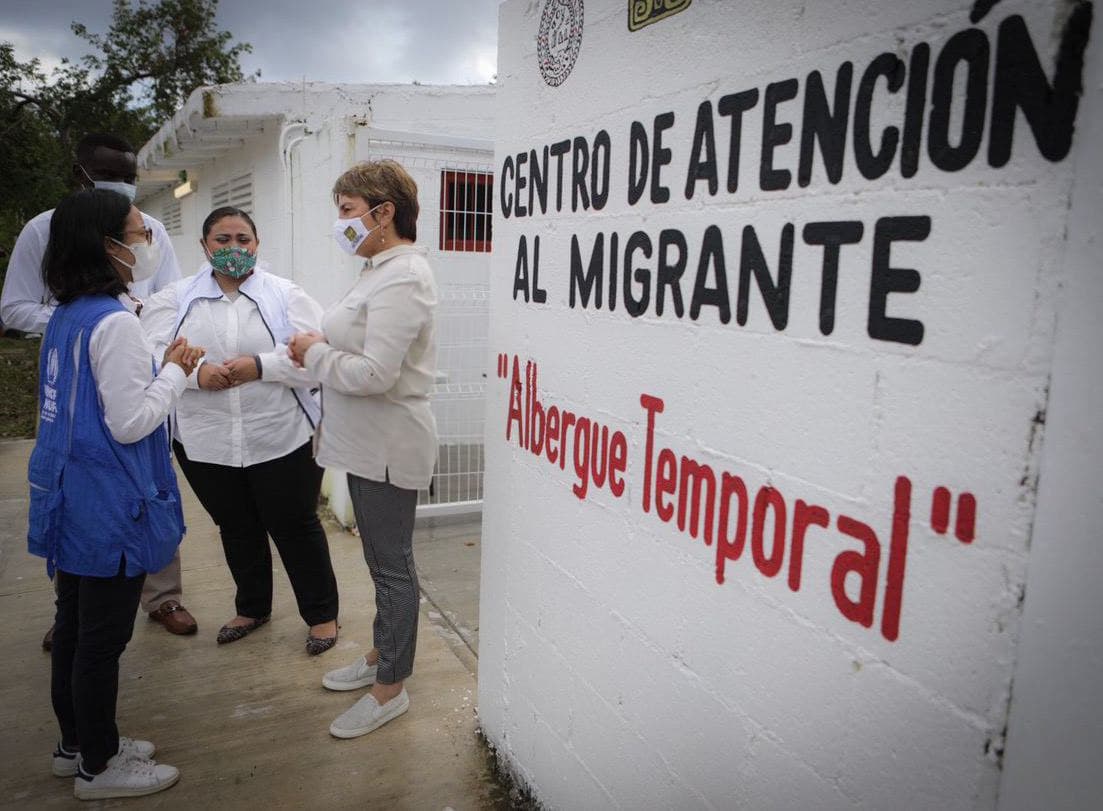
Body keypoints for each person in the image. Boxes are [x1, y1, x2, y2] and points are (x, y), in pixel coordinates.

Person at [27, 189, 202, 800]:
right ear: (107, 246)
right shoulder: (115, 323)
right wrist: (176, 371)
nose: (146, 243)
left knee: (74, 628)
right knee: (100, 642)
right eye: (137, 233)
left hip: (72, 496)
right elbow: (129, 423)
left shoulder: (67, 315)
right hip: (108, 504)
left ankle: (75, 744)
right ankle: (99, 768)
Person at [2, 133, 196, 645]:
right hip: (83, 373)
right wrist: (97, 325)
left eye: (129, 177)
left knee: (147, 484)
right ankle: (83, 607)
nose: (123, 187)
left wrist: (140, 333)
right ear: (81, 175)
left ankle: (159, 595)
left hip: (140, 363)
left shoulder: (149, 229)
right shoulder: (45, 230)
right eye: (110, 176)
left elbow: (170, 297)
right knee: (87, 490)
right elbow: (14, 307)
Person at [142, 206, 340, 654]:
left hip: (282, 436)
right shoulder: (175, 299)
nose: (234, 248)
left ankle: (322, 616)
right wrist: (196, 375)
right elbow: (149, 356)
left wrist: (261, 366)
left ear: (257, 244)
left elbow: (319, 358)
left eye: (243, 239)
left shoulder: (286, 296)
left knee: (295, 526)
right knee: (235, 527)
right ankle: (252, 608)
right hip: (206, 441)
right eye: (222, 240)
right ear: (204, 246)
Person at [288, 160, 438, 737]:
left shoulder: (404, 277)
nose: (341, 222)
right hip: (365, 444)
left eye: (348, 210)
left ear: (384, 212)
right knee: (380, 562)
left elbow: (376, 373)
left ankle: (390, 688)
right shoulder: (377, 270)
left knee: (392, 568)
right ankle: (382, 654)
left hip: (389, 445)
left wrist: (314, 353)